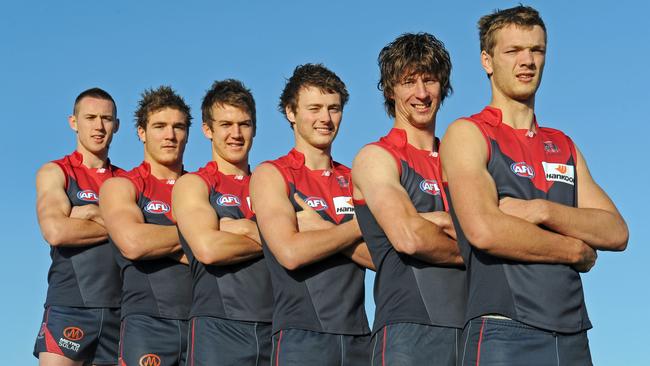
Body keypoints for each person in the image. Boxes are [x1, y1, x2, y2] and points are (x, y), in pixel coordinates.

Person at [440, 5, 629, 365]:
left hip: (573, 334)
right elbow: (484, 230)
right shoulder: (468, 133)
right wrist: (574, 251)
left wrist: (540, 210)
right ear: (487, 60)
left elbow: (615, 230)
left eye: (536, 50)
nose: (526, 61)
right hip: (504, 331)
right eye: (513, 51)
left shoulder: (563, 145)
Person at [351, 33, 465, 366]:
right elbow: (409, 237)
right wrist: (481, 247)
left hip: (473, 330)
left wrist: (441, 222)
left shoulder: (462, 160)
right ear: (390, 90)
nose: (421, 93)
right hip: (408, 335)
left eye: (429, 80)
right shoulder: (376, 157)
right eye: (408, 82)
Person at [250, 64, 373, 365]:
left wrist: (322, 228)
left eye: (334, 108)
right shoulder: (272, 175)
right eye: (314, 108)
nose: (325, 118)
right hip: (301, 337)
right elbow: (291, 252)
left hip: (359, 338)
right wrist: (359, 227)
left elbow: (381, 259)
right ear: (291, 113)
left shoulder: (356, 177)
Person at [172, 79, 273, 365]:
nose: (236, 134)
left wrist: (247, 229)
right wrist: (278, 237)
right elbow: (209, 248)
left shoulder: (271, 184)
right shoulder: (194, 184)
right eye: (226, 125)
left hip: (275, 328)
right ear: (207, 129)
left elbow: (299, 244)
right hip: (218, 329)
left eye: (245, 124)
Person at [99, 86, 193, 366]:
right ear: (141, 132)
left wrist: (161, 240)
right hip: (147, 322)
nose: (170, 135)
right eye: (159, 126)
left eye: (178, 127)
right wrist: (201, 237)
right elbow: (134, 242)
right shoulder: (122, 185)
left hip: (204, 322)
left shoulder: (200, 187)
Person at [33, 88, 123, 366]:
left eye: (106, 119)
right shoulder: (56, 171)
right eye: (90, 117)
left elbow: (143, 237)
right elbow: (56, 231)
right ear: (74, 122)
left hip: (120, 311)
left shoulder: (126, 182)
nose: (99, 126)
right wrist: (120, 227)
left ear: (116, 126)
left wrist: (90, 213)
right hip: (69, 305)